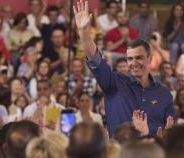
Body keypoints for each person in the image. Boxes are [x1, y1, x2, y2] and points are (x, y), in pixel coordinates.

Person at [73, 0, 175, 137]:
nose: (134, 63)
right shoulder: (114, 82)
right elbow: (94, 58)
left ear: (149, 59)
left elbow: (169, 132)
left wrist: (150, 134)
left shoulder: (164, 93)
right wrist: (84, 32)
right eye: (130, 58)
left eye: (139, 57)